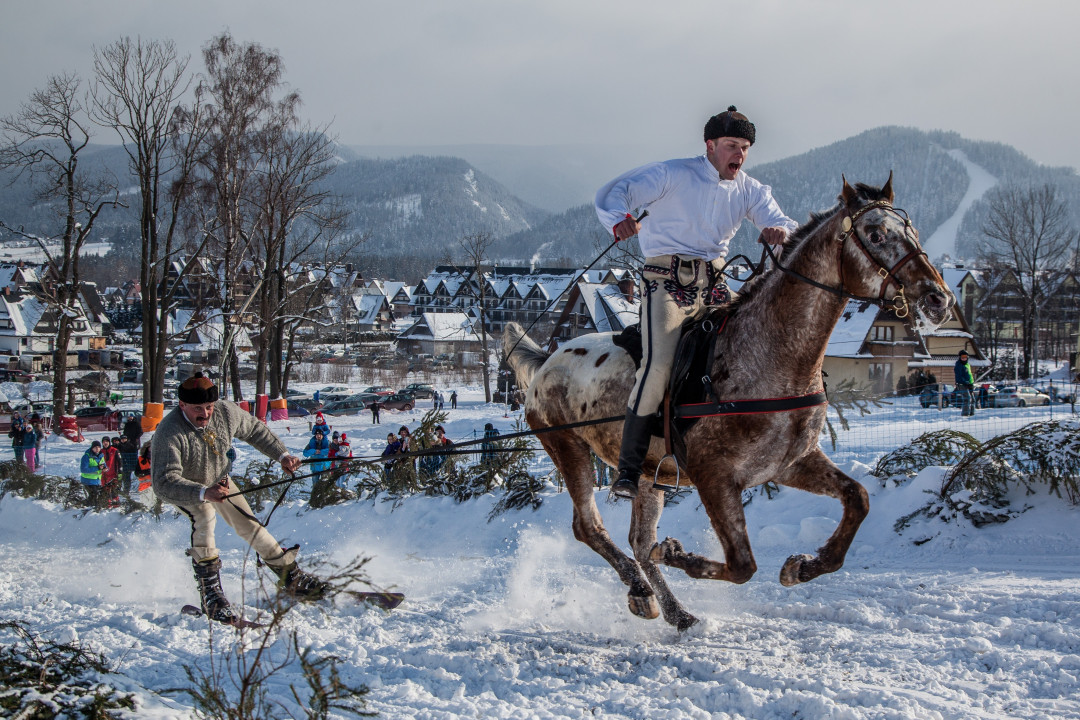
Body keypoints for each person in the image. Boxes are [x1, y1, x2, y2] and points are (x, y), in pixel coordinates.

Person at [595, 105, 798, 498]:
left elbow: (783, 221)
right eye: (730, 145)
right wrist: (619, 218)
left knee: (756, 345)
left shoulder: (750, 190)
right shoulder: (672, 174)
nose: (738, 154)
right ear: (709, 146)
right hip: (667, 282)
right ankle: (629, 468)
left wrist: (779, 231)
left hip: (717, 283)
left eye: (744, 147)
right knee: (658, 367)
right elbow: (612, 193)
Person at [151, 373, 327, 626]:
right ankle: (211, 595)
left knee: (249, 525)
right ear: (182, 405)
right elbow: (164, 482)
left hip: (219, 480)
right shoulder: (169, 433)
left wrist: (282, 455)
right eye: (198, 408)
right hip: (187, 488)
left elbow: (255, 430)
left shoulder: (225, 412)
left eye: (209, 407)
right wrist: (203, 493)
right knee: (204, 516)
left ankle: (291, 578)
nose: (206, 413)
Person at [80, 440, 106, 506]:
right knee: (93, 496)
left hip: (97, 480)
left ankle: (91, 508)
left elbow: (104, 464)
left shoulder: (101, 456)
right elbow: (83, 469)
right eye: (95, 447)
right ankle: (87, 508)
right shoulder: (86, 456)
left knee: (96, 496)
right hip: (88, 480)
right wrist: (97, 468)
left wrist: (105, 468)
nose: (97, 449)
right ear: (92, 448)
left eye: (98, 447)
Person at [954, 350, 976, 417]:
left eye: (965, 357)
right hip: (962, 384)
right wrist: (965, 382)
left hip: (969, 384)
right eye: (962, 357)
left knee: (973, 399)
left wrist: (971, 383)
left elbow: (969, 375)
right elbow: (959, 376)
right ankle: (965, 414)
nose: (964, 358)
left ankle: (972, 414)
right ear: (960, 357)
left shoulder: (967, 365)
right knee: (967, 398)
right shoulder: (959, 365)